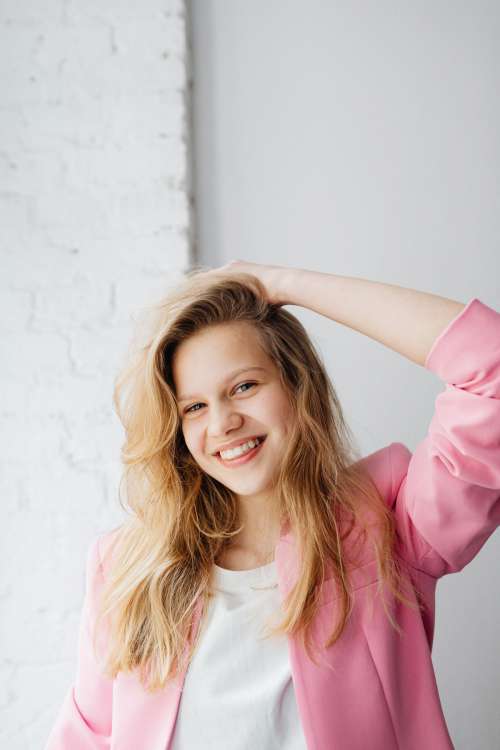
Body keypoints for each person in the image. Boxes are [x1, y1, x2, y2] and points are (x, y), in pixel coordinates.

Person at [45, 261, 500, 750]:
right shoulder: (127, 567)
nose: (222, 423)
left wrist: (286, 285)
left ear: (296, 386)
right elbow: (87, 739)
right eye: (194, 406)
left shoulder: (385, 525)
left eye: (244, 386)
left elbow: (491, 369)